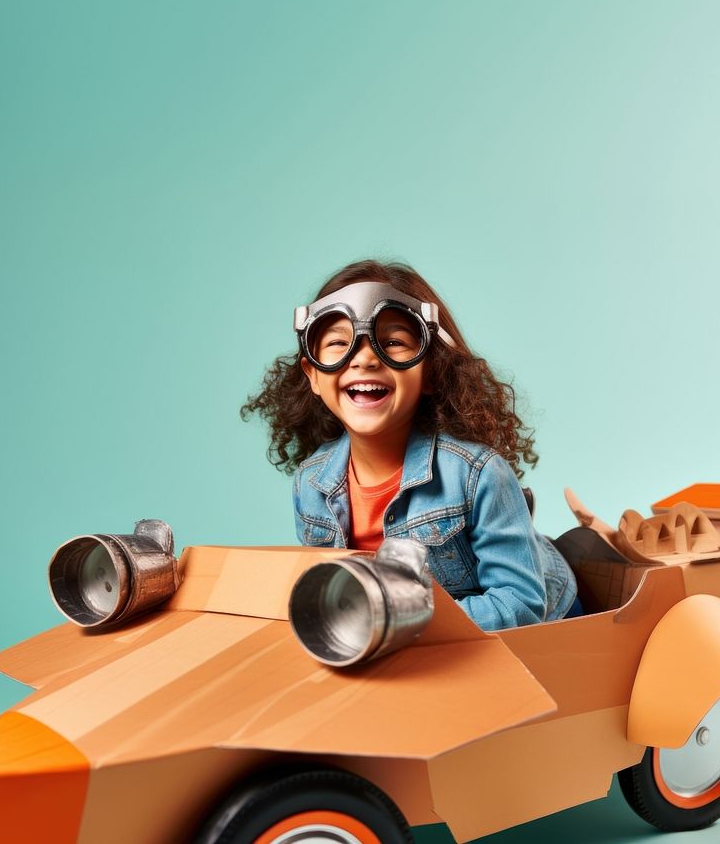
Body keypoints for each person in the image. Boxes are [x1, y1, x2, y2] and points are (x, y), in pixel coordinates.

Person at [241, 259, 580, 631]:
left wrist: (400, 624)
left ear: (431, 371)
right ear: (314, 377)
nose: (365, 358)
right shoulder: (311, 485)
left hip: (544, 627)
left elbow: (521, 605)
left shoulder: (478, 474)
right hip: (403, 640)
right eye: (340, 342)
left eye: (393, 342)